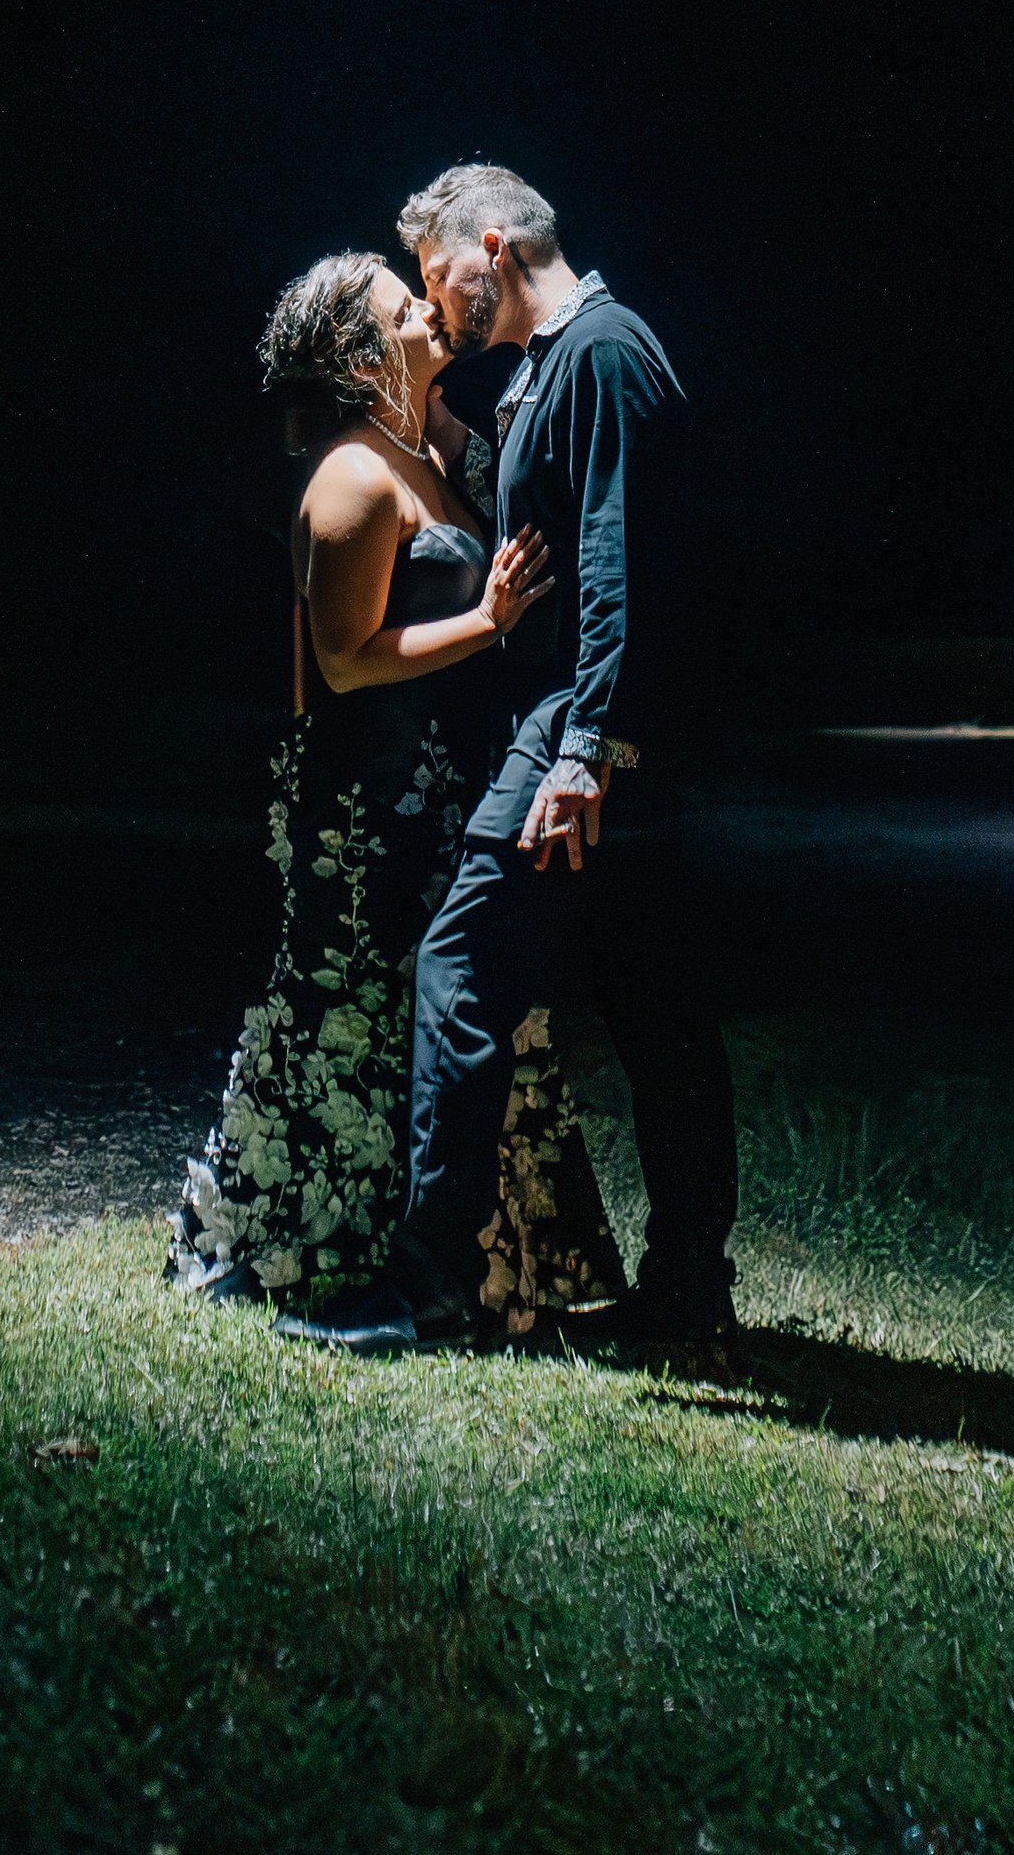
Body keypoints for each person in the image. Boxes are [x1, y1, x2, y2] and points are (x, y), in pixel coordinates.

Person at [279, 163, 740, 1370]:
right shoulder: (544, 373)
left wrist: (588, 748)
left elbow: (617, 563)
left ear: (492, 245)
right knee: (660, 1016)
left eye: (439, 276)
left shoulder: (602, 354)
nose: (437, 306)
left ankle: (428, 1292)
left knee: (464, 973)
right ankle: (688, 1295)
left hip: (582, 740)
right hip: (592, 733)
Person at [167, 249, 623, 1328]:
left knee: (443, 1011)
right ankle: (316, 1238)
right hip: (364, 799)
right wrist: (485, 621)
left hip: (442, 787)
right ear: (364, 352)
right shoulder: (350, 474)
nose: (430, 310)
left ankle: (456, 1247)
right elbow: (343, 658)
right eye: (404, 306)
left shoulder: (427, 448)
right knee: (350, 1014)